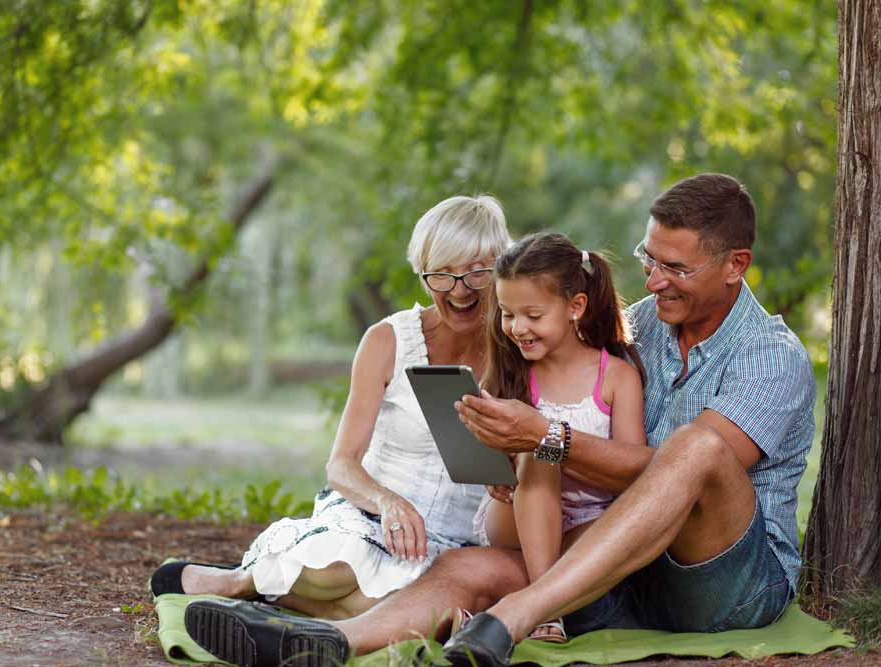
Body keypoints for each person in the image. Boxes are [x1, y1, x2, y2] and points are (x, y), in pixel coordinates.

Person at [177, 173, 815, 667]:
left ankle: (511, 620)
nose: (655, 279)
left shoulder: (770, 355)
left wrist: (547, 439)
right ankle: (330, 643)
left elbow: (678, 475)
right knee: (470, 567)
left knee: (697, 448)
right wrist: (510, 452)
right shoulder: (641, 324)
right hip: (623, 568)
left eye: (676, 268)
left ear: (736, 264)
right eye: (649, 259)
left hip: (726, 585)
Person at [149, 195, 512, 623]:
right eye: (442, 275)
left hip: (455, 540)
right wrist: (388, 502)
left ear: (502, 268)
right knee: (333, 571)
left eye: (475, 273)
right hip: (371, 519)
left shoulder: (519, 345)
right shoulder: (388, 340)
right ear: (422, 272)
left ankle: (265, 592)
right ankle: (244, 582)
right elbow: (340, 465)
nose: (459, 290)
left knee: (397, 602)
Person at [473, 232, 646, 643]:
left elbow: (634, 466)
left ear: (575, 307)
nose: (517, 328)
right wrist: (494, 465)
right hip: (516, 515)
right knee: (541, 450)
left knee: (547, 439)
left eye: (533, 314)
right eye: (508, 313)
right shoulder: (510, 372)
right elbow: (487, 454)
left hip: (591, 519)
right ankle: (543, 611)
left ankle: (530, 602)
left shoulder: (616, 376)